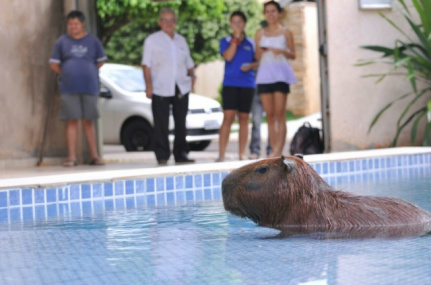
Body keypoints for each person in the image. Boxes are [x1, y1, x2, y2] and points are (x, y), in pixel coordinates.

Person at [49, 10, 106, 167]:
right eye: (70, 24)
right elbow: (54, 63)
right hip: (69, 88)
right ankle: (71, 157)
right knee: (71, 121)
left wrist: (88, 70)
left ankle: (94, 156)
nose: (73, 27)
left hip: (90, 87)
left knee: (89, 121)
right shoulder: (62, 42)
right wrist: (67, 73)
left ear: (82, 24)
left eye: (76, 24)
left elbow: (101, 61)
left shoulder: (93, 41)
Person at [142, 8, 196, 165]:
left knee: (181, 122)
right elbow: (146, 65)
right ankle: (162, 155)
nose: (168, 23)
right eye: (165, 20)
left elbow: (189, 63)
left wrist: (193, 77)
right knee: (161, 123)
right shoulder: (151, 40)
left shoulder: (181, 40)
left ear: (176, 22)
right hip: (160, 86)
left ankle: (181, 154)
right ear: (160, 22)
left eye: (172, 20)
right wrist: (148, 86)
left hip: (181, 86)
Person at [255, 1, 297, 158]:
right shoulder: (260, 33)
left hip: (280, 76)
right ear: (264, 14)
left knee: (280, 114)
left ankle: (280, 150)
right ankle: (274, 151)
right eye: (267, 11)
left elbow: (293, 55)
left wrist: (280, 51)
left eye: (273, 11)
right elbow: (257, 56)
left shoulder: (286, 32)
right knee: (270, 115)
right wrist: (261, 50)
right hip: (265, 77)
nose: (270, 14)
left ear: (279, 13)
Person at [216, 11, 258, 162]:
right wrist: (235, 40)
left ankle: (242, 154)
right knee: (228, 118)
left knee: (244, 118)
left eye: (240, 22)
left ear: (245, 24)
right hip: (230, 84)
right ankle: (221, 155)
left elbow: (259, 60)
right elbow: (228, 56)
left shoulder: (252, 42)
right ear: (230, 24)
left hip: (247, 84)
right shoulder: (225, 40)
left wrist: (251, 65)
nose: (237, 25)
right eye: (234, 22)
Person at [248, 91, 272, 159]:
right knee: (256, 122)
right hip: (257, 90)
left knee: (272, 122)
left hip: (270, 89)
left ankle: (271, 150)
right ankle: (255, 150)